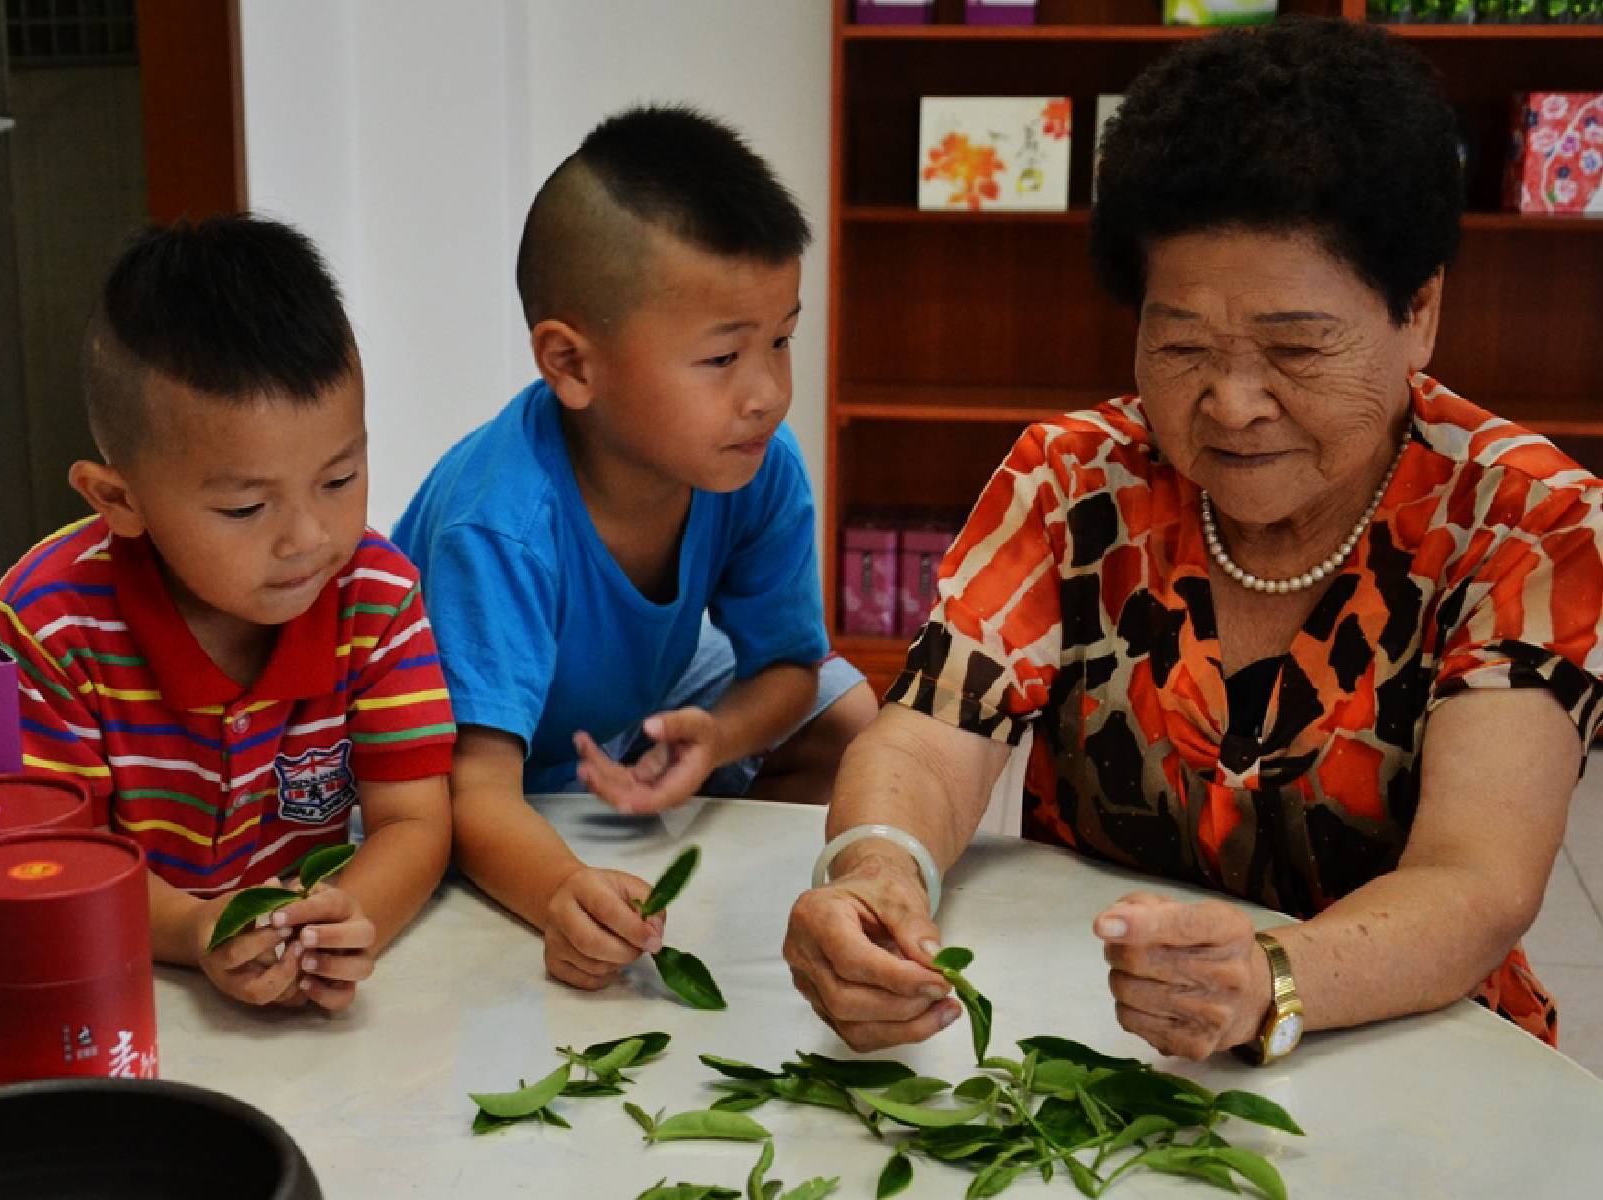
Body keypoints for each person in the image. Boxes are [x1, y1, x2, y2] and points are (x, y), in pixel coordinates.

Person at [784, 18, 1603, 1063]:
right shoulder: (1073, 479)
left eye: (1296, 348)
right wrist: (874, 868)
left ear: (1422, 310)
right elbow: (929, 737)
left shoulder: (1527, 517)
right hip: (1105, 1043)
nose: (1232, 402)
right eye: (1181, 345)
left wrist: (1272, 980)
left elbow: (1476, 878)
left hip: (1414, 1041)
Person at [393, 105, 877, 991]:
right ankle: (594, 894)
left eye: (781, 339)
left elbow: (791, 669)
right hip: (465, 760)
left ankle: (671, 902)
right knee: (459, 855)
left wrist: (720, 734)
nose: (767, 393)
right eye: (723, 358)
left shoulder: (758, 465)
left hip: (617, 716)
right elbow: (474, 791)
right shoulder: (498, 525)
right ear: (574, 366)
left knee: (852, 721)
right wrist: (561, 894)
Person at [0, 216, 455, 1012]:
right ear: (119, 499)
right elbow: (58, 862)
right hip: (123, 992)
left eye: (339, 480)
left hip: (304, 1003)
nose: (308, 538)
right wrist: (197, 932)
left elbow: (414, 820)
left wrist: (350, 921)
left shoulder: (375, 597)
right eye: (244, 507)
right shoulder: (49, 627)